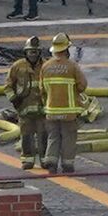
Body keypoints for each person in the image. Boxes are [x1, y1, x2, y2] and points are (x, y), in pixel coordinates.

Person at [40, 33, 89, 173]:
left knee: (53, 136)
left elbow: (41, 89)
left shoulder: (46, 66)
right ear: (67, 49)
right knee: (68, 137)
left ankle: (51, 162)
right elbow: (82, 86)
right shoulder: (72, 66)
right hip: (68, 112)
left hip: (51, 111)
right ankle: (67, 164)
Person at [5, 35, 50, 169]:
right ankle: (27, 160)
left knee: (43, 136)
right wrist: (14, 99)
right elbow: (8, 86)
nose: (33, 54)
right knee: (26, 136)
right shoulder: (18, 66)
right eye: (30, 52)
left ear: (39, 52)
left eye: (35, 52)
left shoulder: (46, 66)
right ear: (25, 52)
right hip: (24, 109)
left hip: (42, 109)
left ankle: (44, 160)